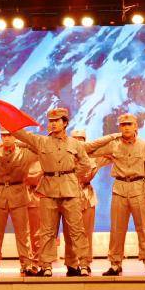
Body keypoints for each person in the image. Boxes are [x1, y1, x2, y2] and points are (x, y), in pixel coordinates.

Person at [12, 107, 93, 277]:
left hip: (70, 191)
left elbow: (86, 164)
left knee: (76, 230)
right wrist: (7, 120)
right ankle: (46, 265)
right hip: (48, 190)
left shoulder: (75, 144)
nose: (53, 124)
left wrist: (72, 176)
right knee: (47, 230)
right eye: (51, 121)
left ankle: (82, 264)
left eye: (57, 121)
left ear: (65, 123)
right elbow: (22, 135)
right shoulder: (41, 141)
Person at [85, 114, 145, 276]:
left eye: (129, 124)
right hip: (119, 188)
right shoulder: (114, 145)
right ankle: (115, 263)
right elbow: (88, 149)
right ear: (119, 128)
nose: (126, 127)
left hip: (139, 188)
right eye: (123, 125)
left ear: (136, 126)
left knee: (144, 227)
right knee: (117, 228)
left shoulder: (144, 145)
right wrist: (111, 137)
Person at [0, 127, 39, 277]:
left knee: (23, 233)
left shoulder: (24, 153)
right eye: (3, 135)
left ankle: (26, 265)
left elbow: (40, 148)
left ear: (15, 136)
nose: (6, 138)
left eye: (9, 135)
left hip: (18, 193)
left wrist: (22, 142)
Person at [62, 129, 107, 276]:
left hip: (87, 196)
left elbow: (112, 155)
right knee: (69, 233)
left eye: (81, 139)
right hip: (69, 195)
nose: (78, 141)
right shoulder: (64, 157)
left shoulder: (93, 158)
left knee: (86, 232)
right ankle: (71, 263)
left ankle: (85, 263)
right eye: (75, 138)